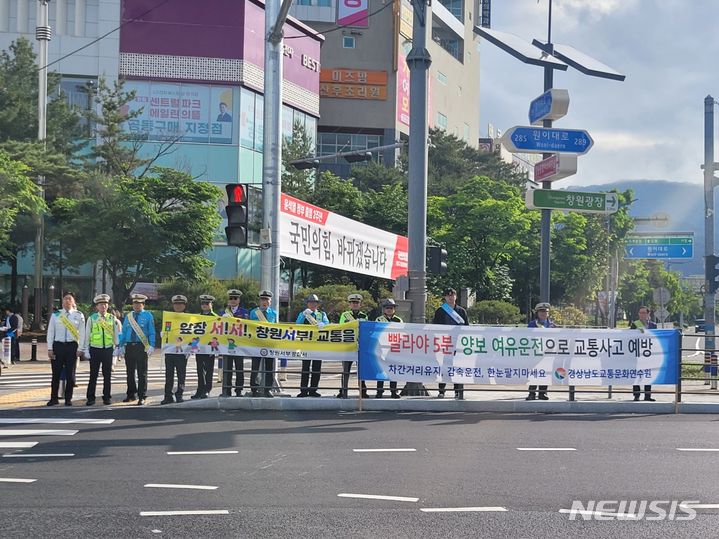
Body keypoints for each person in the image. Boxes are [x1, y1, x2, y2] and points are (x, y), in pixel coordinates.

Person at [46, 292, 86, 406]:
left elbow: (82, 333)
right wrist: (50, 348)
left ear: (73, 302)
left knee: (70, 374)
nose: (67, 301)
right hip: (58, 346)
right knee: (56, 374)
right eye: (65, 299)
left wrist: (81, 348)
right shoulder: (56, 315)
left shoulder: (79, 315)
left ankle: (68, 398)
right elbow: (50, 332)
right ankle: (54, 398)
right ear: (62, 302)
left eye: (69, 299)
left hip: (71, 346)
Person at [119, 293, 156, 406]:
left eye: (139, 303)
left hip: (141, 347)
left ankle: (142, 396)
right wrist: (120, 345)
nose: (136, 305)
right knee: (129, 372)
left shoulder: (148, 316)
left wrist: (151, 345)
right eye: (134, 303)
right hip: (129, 346)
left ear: (143, 304)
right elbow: (124, 332)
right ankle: (131, 394)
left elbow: (151, 331)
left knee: (142, 373)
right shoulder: (129, 316)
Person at [82, 294, 119, 406]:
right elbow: (87, 334)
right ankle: (90, 397)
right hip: (95, 349)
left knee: (107, 375)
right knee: (93, 375)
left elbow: (116, 334)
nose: (103, 306)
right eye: (101, 304)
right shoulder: (92, 318)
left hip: (108, 349)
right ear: (97, 307)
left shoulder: (112, 318)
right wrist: (86, 349)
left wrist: (117, 347)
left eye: (105, 304)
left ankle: (107, 397)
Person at [433, 287, 469, 399]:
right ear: (445, 297)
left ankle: (457, 391)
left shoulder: (461, 311)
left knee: (457, 367)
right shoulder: (440, 311)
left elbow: (466, 327)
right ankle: (441, 391)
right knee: (444, 366)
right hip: (444, 343)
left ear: (455, 297)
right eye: (448, 295)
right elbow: (435, 326)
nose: (450, 297)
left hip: (457, 343)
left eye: (452, 295)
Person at [296, 294, 329, 397]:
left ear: (317, 304)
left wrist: (324, 324)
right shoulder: (304, 314)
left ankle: (313, 390)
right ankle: (303, 390)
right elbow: (297, 325)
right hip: (306, 344)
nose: (312, 304)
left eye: (314, 302)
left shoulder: (321, 314)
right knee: (305, 368)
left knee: (316, 368)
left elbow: (327, 324)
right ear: (307, 304)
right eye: (310, 302)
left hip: (318, 344)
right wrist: (303, 315)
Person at [337, 293, 368, 399]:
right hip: (347, 346)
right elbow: (342, 327)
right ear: (349, 304)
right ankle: (343, 391)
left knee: (361, 370)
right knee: (346, 370)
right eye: (353, 303)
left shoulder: (364, 316)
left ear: (360, 304)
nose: (355, 304)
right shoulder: (345, 315)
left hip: (360, 346)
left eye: (357, 303)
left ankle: (363, 391)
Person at [249, 290, 278, 397]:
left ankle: (268, 389)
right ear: (259, 301)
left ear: (270, 301)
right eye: (262, 299)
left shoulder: (274, 313)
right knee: (255, 367)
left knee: (269, 367)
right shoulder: (253, 312)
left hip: (269, 344)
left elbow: (276, 328)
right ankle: (254, 389)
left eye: (267, 299)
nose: (264, 301)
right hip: (256, 343)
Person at [161, 295, 190, 405]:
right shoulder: (169, 317)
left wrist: (189, 350)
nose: (178, 306)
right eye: (176, 304)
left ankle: (180, 394)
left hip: (182, 351)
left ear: (184, 305)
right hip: (169, 350)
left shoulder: (189, 318)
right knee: (169, 375)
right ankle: (168, 395)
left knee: (181, 375)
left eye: (180, 304)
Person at [526, 302, 556, 401]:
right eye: (541, 311)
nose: (543, 313)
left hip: (548, 353)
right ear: (537, 313)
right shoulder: (532, 324)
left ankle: (543, 393)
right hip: (535, 352)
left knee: (545, 373)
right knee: (534, 373)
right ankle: (532, 393)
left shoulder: (552, 325)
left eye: (545, 312)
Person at [375, 298, 403, 398]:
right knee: (381, 370)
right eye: (387, 308)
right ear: (384, 309)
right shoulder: (379, 319)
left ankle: (393, 391)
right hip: (381, 348)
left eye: (391, 307)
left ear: (394, 309)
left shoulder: (398, 320)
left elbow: (401, 334)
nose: (389, 309)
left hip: (393, 348)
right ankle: (379, 391)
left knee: (393, 370)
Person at [221, 289, 247, 397]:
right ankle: (226, 390)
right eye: (230, 298)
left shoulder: (244, 312)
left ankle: (239, 390)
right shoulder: (223, 312)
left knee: (239, 368)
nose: (232, 300)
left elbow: (246, 325)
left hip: (239, 345)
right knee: (227, 368)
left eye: (235, 298)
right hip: (226, 344)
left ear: (239, 300)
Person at [192, 294, 218, 399]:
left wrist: (215, 348)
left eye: (207, 303)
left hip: (210, 347)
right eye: (203, 303)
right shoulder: (197, 317)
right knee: (199, 369)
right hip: (199, 346)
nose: (204, 305)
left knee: (209, 369)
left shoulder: (216, 317)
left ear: (211, 305)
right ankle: (200, 389)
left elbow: (218, 334)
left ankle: (207, 389)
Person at [630, 305, 657, 401]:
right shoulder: (635, 324)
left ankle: (647, 395)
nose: (642, 315)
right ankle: (636, 395)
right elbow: (630, 337)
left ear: (648, 314)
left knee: (648, 374)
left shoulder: (653, 325)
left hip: (649, 353)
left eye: (644, 313)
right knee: (636, 374)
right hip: (637, 353)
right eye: (640, 313)